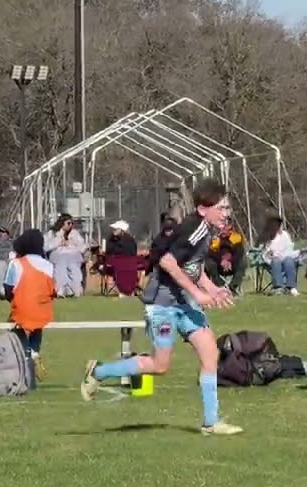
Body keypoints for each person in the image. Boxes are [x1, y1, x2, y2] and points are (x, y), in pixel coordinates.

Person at [79, 178, 243, 436]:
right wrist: (198, 296)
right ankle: (98, 371)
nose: (226, 213)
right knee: (160, 366)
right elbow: (167, 262)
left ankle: (211, 422)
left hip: (183, 303)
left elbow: (192, 267)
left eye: (227, 208)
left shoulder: (205, 230)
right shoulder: (195, 229)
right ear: (203, 209)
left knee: (210, 354)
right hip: (162, 306)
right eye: (221, 208)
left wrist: (211, 289)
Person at [3, 229, 53, 379]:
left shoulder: (16, 264)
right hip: (43, 311)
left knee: (17, 325)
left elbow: (7, 290)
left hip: (21, 311)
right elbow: (52, 291)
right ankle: (34, 351)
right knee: (37, 323)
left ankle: (24, 355)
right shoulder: (48, 265)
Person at [261, 215, 301, 295]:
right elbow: (267, 250)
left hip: (285, 256)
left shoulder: (285, 235)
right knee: (276, 261)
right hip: (272, 258)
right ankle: (278, 287)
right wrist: (271, 253)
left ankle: (291, 287)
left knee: (289, 260)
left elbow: (289, 247)